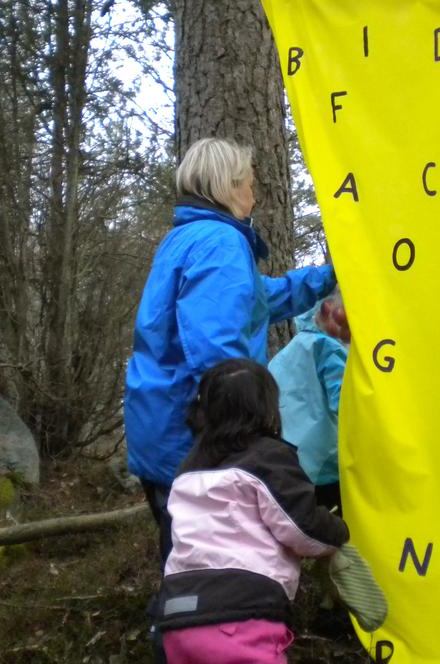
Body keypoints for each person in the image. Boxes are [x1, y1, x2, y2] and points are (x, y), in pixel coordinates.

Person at [124, 137, 337, 562]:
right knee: (210, 569)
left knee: (184, 559)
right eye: (250, 182)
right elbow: (216, 348)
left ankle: (182, 623)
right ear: (229, 185)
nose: (256, 192)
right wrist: (254, 432)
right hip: (191, 434)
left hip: (161, 422)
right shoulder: (219, 243)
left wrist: (330, 275)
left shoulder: (187, 238)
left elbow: (261, 299)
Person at [155, 359, 348, 664]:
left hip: (175, 618)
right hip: (239, 616)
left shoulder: (185, 471)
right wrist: (339, 530)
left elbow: (168, 545)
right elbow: (302, 528)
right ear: (268, 410)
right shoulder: (269, 459)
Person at [268, 288, 349, 514]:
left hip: (289, 460)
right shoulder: (328, 348)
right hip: (326, 463)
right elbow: (345, 402)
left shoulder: (285, 354)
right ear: (326, 310)